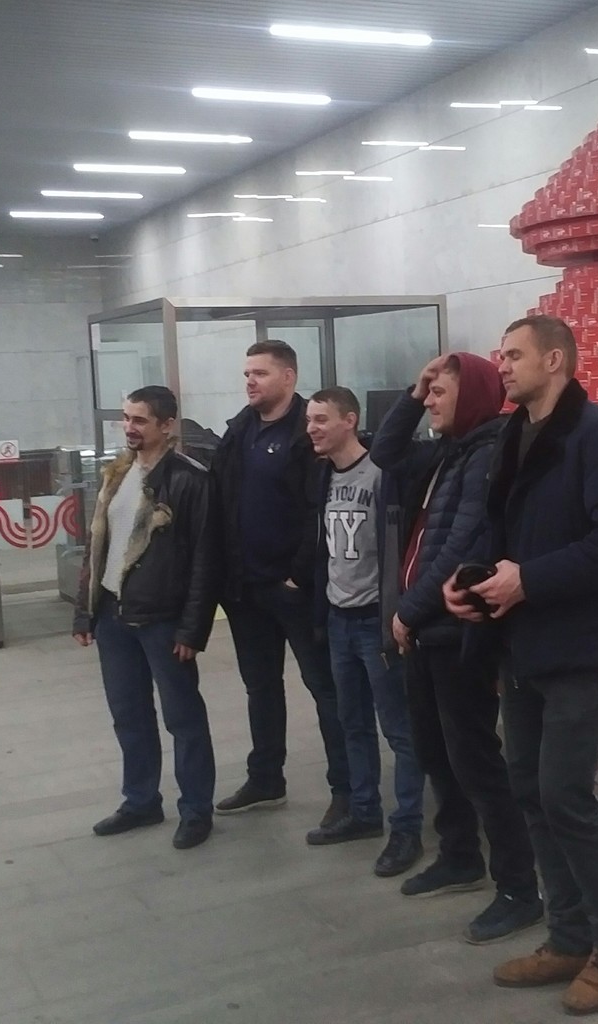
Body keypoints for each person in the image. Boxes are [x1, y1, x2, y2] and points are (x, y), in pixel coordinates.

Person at [445, 315, 598, 1016]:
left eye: (514, 355)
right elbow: (497, 531)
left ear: (555, 360)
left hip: (580, 644)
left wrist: (528, 580)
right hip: (522, 641)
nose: (500, 366)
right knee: (528, 788)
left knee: (565, 794)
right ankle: (567, 936)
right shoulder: (514, 434)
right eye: (501, 355)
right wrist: (469, 584)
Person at [370, 352, 544, 945]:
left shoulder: (488, 455)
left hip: (456, 630)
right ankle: (460, 854)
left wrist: (408, 610)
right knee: (433, 749)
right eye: (429, 394)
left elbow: (463, 542)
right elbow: (385, 453)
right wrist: (414, 392)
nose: (431, 403)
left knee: (475, 757)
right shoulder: (448, 454)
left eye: (441, 393)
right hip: (424, 629)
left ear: (469, 397)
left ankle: (519, 888)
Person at [73, 385, 219, 851]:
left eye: (140, 420)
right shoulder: (117, 474)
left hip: (162, 620)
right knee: (129, 715)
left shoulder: (189, 479)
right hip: (116, 615)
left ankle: (196, 809)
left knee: (183, 718)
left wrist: (192, 628)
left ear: (167, 425)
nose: (130, 427)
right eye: (126, 418)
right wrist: (86, 609)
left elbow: (205, 560)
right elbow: (97, 547)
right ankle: (141, 801)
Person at [212, 341, 350, 830]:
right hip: (246, 589)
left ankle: (347, 790)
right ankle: (266, 778)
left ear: (288, 377)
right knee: (261, 688)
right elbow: (225, 505)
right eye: (247, 372)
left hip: (295, 590)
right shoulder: (240, 431)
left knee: (324, 689)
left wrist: (300, 573)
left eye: (261, 374)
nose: (250, 381)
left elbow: (320, 509)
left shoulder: (307, 432)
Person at [303, 386, 425, 876]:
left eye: (320, 419)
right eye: (308, 419)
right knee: (351, 722)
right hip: (338, 616)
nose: (311, 427)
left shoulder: (381, 474)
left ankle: (407, 827)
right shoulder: (321, 477)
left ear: (349, 420)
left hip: (377, 620)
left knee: (398, 729)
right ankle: (363, 811)